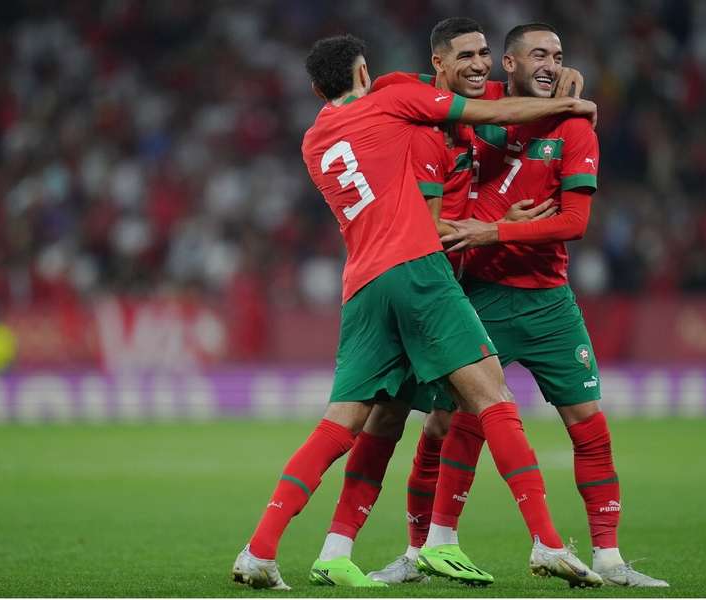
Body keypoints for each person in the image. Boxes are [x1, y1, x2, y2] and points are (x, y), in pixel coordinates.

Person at [230, 33, 603, 590]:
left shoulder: (313, 141)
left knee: (344, 422)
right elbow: (489, 107)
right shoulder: (391, 98)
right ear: (364, 72)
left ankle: (259, 549)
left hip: (361, 284)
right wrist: (571, 104)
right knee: (492, 397)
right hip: (418, 271)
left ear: (314, 88)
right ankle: (548, 543)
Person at [371, 23, 669, 588]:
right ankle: (422, 552)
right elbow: (401, 84)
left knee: (590, 426)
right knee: (445, 426)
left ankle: (609, 557)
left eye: (559, 56)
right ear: (506, 64)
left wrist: (494, 232)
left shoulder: (575, 125)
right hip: (478, 296)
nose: (552, 64)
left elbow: (575, 223)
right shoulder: (477, 106)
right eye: (538, 54)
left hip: (550, 303)